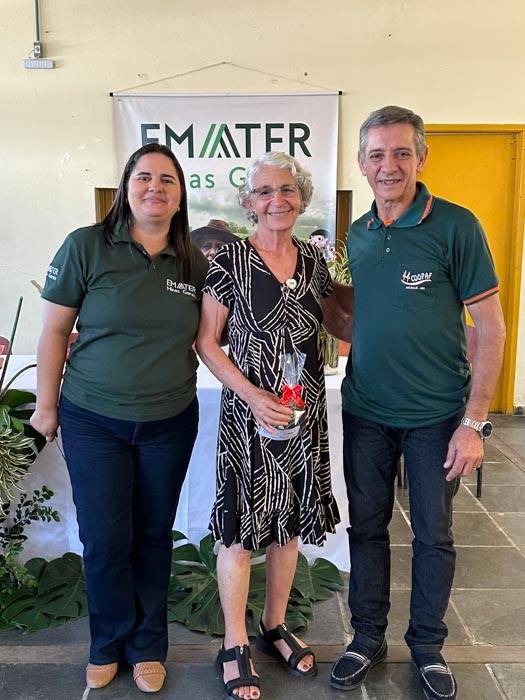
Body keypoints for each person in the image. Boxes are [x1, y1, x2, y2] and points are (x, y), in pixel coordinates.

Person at [330, 106, 506, 700]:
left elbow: (491, 329)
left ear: (422, 158)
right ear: (362, 163)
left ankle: (427, 646)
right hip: (366, 412)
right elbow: (362, 315)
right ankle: (366, 637)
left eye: (402, 153)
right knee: (366, 529)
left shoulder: (457, 226)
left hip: (437, 416)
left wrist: (474, 422)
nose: (389, 165)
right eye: (377, 154)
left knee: (433, 535)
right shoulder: (359, 233)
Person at [30, 143, 208, 694]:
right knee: (105, 537)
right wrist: (46, 406)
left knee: (153, 535)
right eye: (144, 177)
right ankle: (106, 642)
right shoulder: (86, 246)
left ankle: (148, 645)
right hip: (94, 420)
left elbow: (214, 336)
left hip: (169, 421)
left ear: (180, 196)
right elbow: (54, 330)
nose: (155, 187)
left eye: (168, 180)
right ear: (126, 187)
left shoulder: (194, 262)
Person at [196, 151, 350, 700]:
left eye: (287, 189)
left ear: (302, 199)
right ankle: (234, 641)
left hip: (303, 413)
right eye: (264, 191)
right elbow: (206, 342)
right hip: (249, 415)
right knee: (240, 528)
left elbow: (336, 321)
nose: (276, 200)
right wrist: (254, 395)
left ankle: (273, 624)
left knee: (290, 522)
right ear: (248, 202)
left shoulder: (313, 263)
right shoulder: (229, 261)